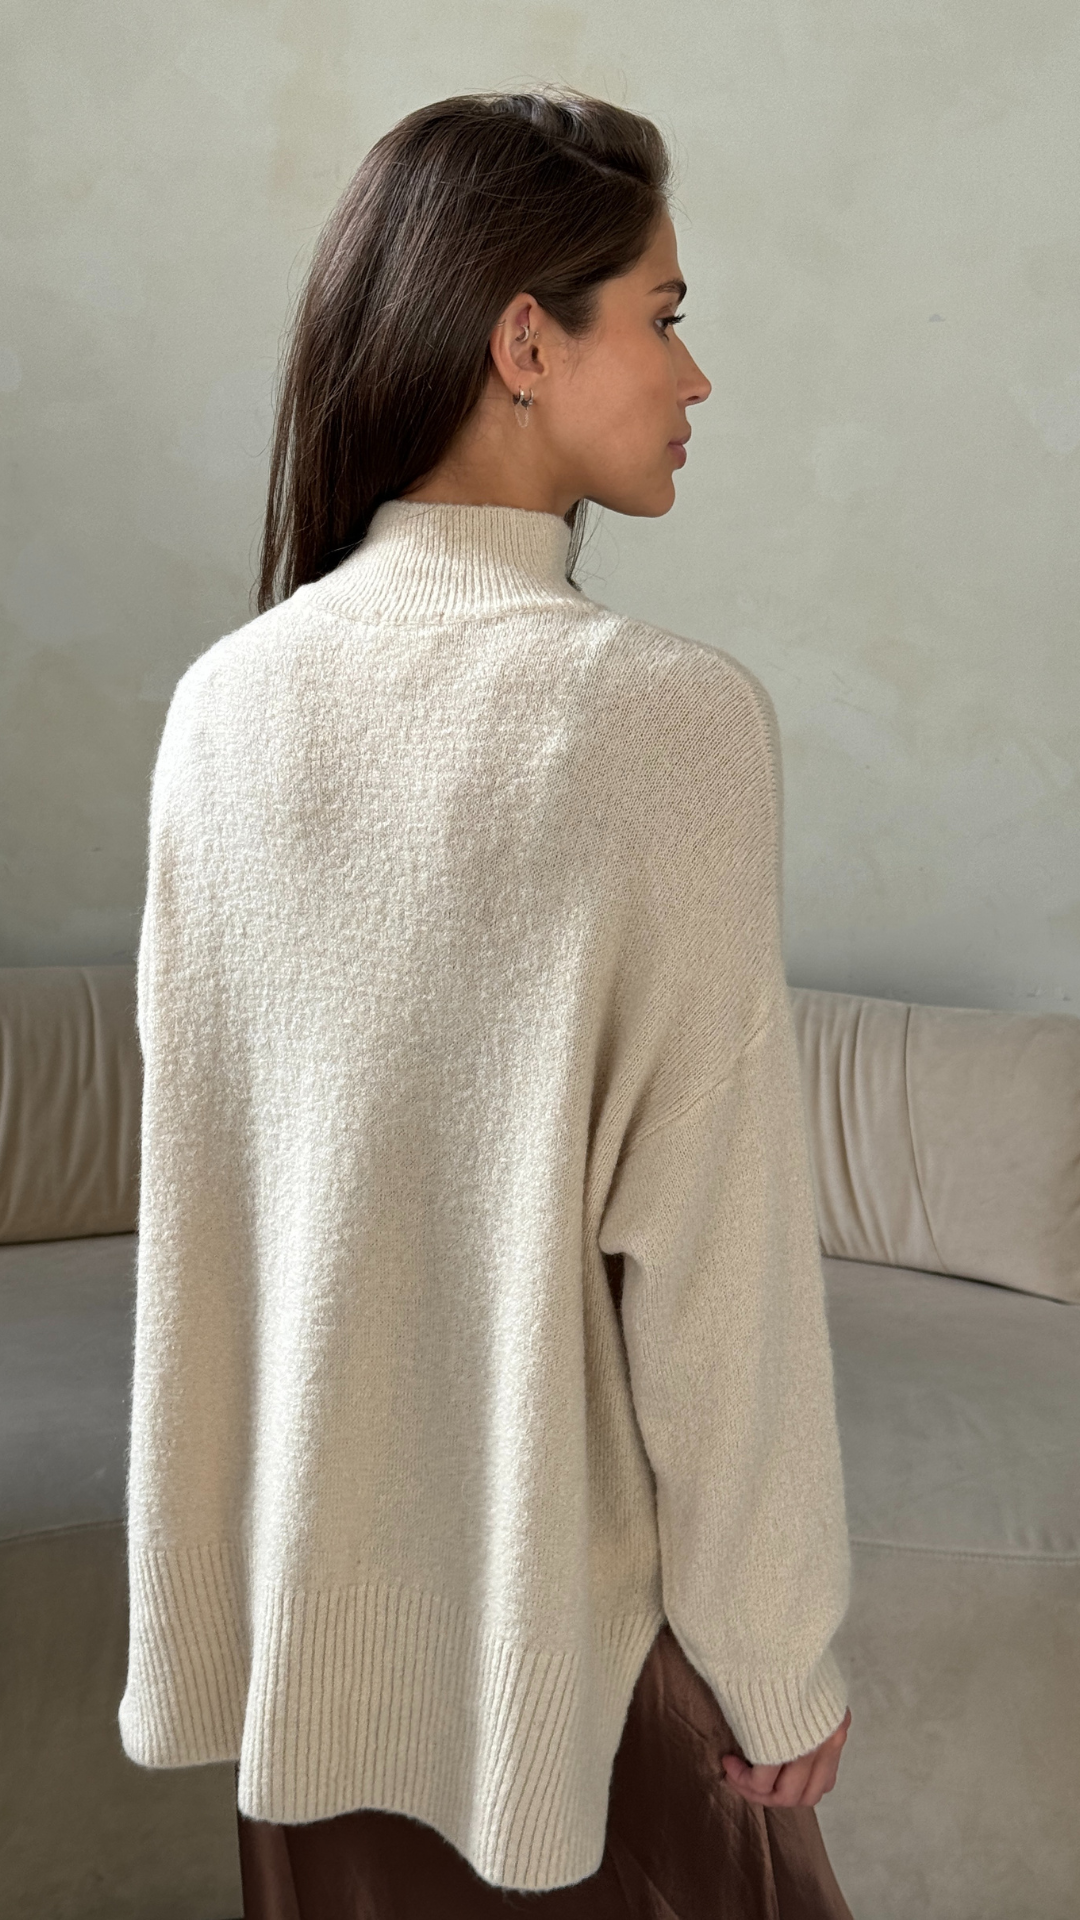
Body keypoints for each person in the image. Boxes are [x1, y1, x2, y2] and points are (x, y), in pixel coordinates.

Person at [119, 85, 855, 1918]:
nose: (696, 376)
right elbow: (719, 1260)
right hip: (576, 1695)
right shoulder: (669, 721)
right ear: (526, 341)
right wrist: (777, 1656)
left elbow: (205, 1224)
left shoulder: (222, 709)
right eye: (664, 316)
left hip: (303, 1696)